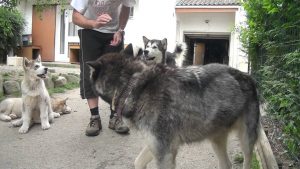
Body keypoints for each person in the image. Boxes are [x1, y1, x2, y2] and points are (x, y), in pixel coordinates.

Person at [71, 0, 136, 136]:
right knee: (91, 73)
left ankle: (115, 117)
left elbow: (126, 7)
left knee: (116, 76)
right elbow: (76, 17)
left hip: (113, 32)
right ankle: (95, 117)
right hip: (90, 30)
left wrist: (121, 29)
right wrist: (94, 23)